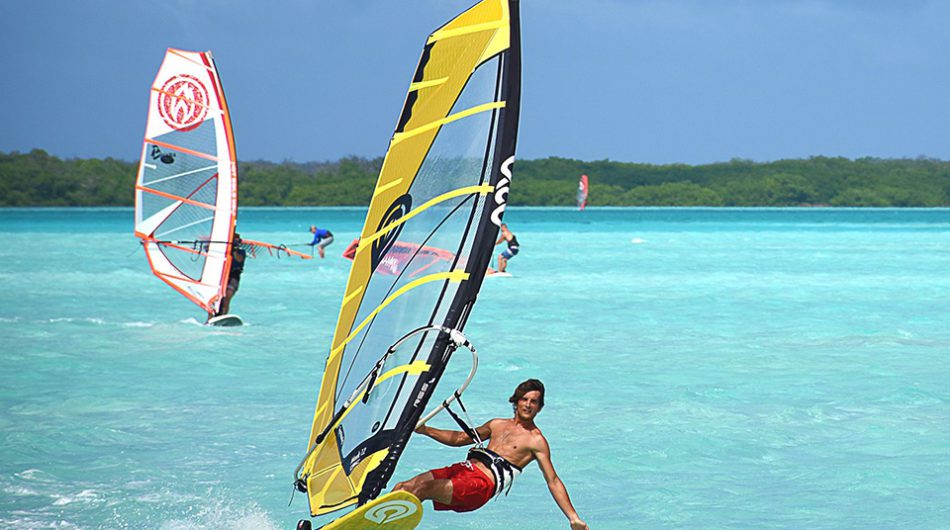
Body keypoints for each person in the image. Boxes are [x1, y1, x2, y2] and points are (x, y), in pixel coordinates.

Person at [394, 379, 588, 530]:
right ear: (517, 401)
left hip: (479, 486)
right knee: (403, 487)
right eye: (525, 399)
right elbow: (460, 438)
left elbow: (552, 480)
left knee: (425, 488)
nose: (528, 405)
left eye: (534, 402)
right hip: (463, 471)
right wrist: (426, 429)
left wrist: (573, 517)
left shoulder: (536, 441)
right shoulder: (496, 424)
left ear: (539, 407)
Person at [215, 231, 246, 317]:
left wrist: (234, 250)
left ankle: (224, 315)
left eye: (238, 240)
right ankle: (211, 317)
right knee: (216, 298)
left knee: (227, 296)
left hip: (234, 276)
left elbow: (239, 259)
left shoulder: (241, 251)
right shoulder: (224, 251)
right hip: (222, 274)